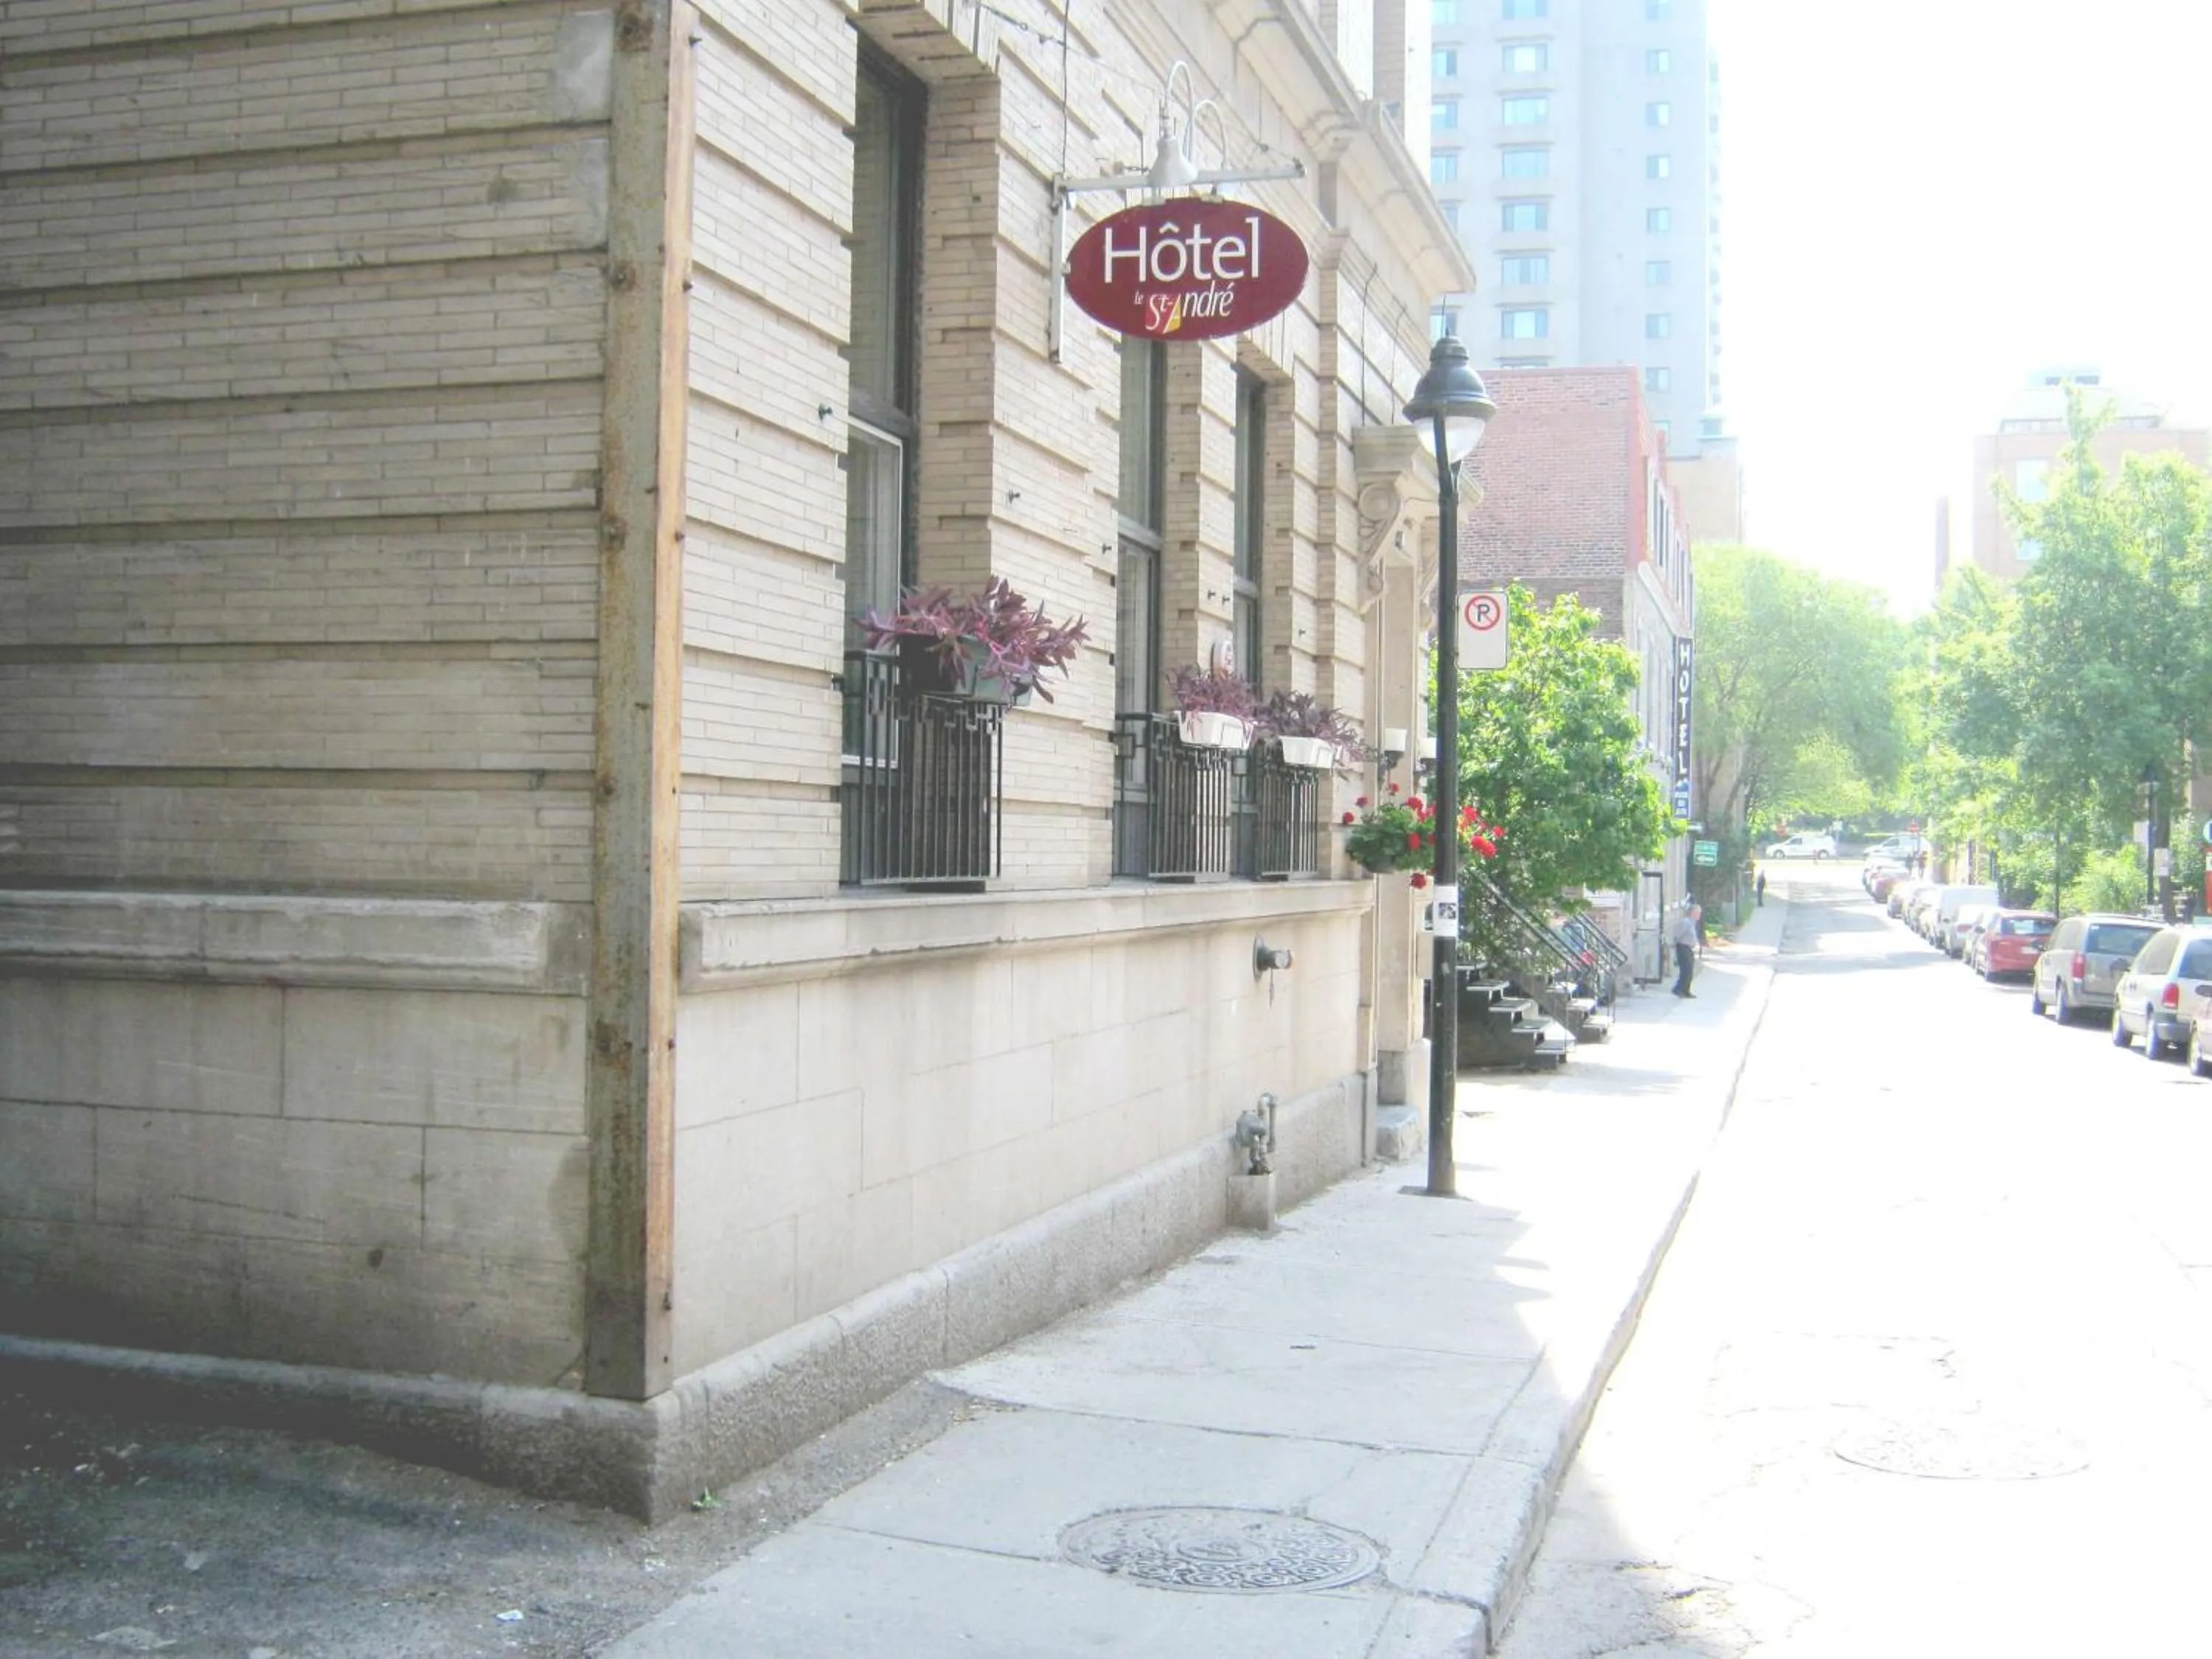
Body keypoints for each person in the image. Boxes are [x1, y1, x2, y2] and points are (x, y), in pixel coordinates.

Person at [1669, 902, 1702, 998]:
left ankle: (1686, 990)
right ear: (1692, 913)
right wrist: (1674, 944)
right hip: (1683, 947)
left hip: (1689, 948)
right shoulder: (1686, 922)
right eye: (1698, 913)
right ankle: (1678, 989)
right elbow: (1677, 934)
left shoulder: (1692, 923)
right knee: (1686, 971)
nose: (1699, 915)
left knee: (1690, 971)